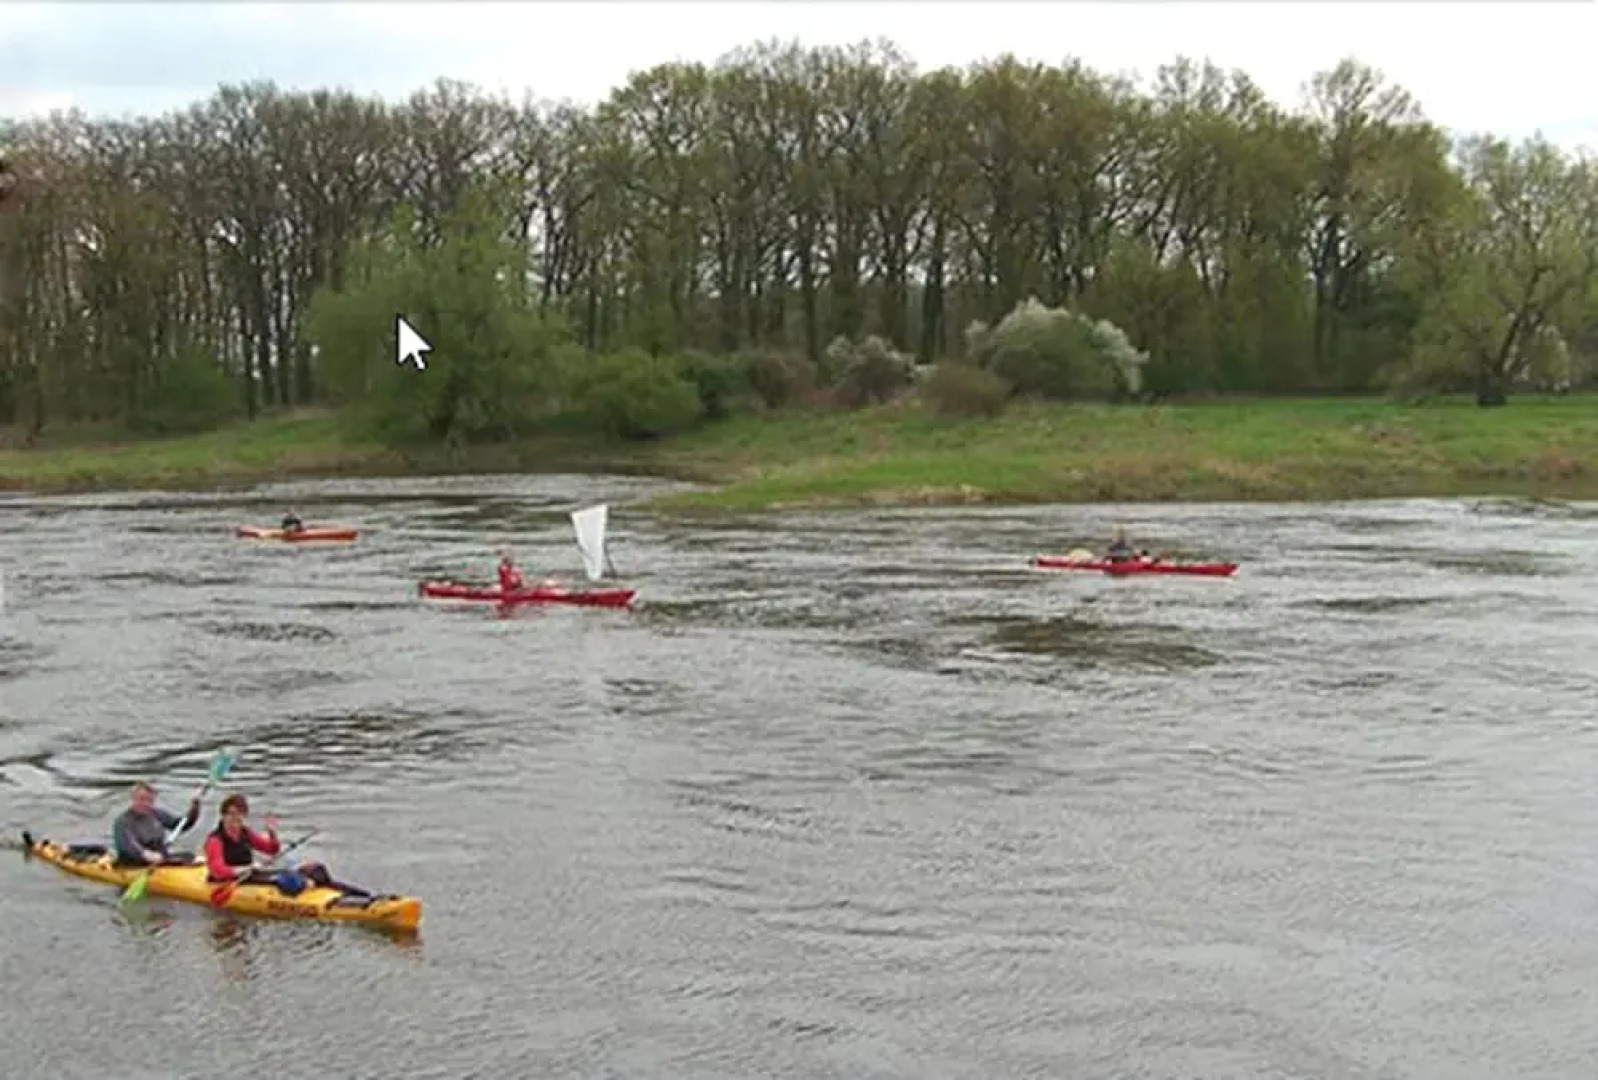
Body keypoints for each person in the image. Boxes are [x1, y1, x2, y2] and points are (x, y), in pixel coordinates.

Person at [204, 794, 369, 898]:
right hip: (232, 880)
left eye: (240, 814)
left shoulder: (244, 833)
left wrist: (272, 833)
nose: (236, 818)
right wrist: (246, 868)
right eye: (231, 814)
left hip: (250, 874)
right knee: (289, 879)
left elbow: (271, 849)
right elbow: (218, 870)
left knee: (316, 869)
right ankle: (307, 885)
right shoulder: (215, 840)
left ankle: (363, 897)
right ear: (223, 815)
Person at [112, 781, 202, 865]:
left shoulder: (157, 814)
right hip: (135, 863)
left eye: (150, 800)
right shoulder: (123, 822)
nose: (146, 804)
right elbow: (128, 845)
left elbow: (180, 826)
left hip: (160, 859)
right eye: (142, 799)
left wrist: (194, 810)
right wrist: (146, 854)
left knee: (189, 855)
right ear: (133, 799)